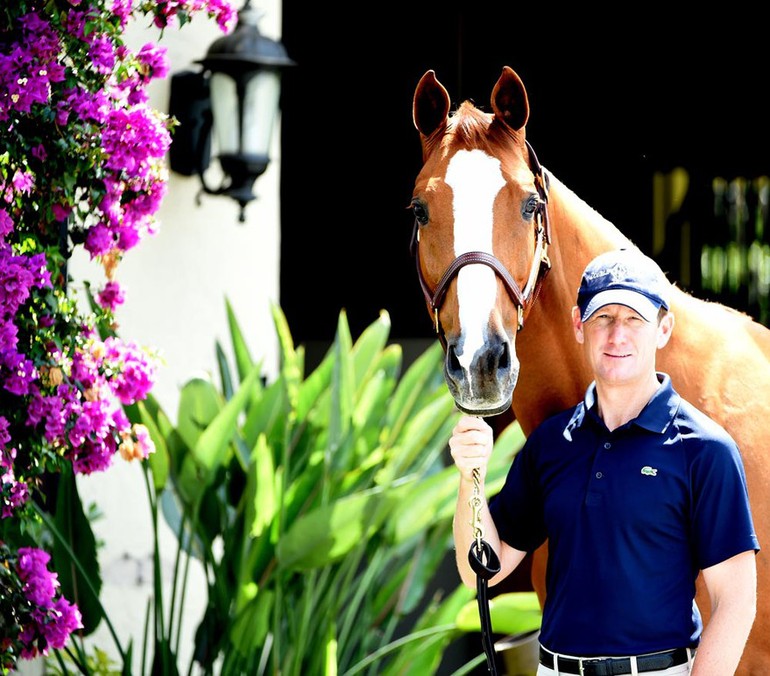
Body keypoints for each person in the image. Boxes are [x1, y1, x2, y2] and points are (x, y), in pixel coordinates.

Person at [449, 247, 759, 676]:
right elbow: (479, 570)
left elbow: (736, 599)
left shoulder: (705, 449)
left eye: (634, 319)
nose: (618, 336)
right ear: (580, 325)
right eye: (604, 318)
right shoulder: (550, 444)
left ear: (663, 328)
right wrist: (470, 480)